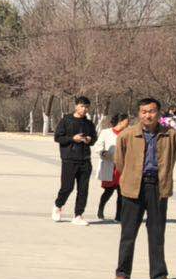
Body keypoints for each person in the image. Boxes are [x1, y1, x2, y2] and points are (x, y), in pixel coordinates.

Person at [113, 97, 176, 279]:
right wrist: (131, 176)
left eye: (151, 111)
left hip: (158, 186)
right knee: (128, 232)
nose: (147, 115)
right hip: (133, 186)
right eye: (144, 112)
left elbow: (172, 159)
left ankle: (158, 275)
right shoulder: (127, 135)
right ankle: (123, 272)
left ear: (158, 113)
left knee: (157, 232)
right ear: (139, 113)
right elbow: (119, 161)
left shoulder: (171, 135)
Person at [51, 96, 97, 225]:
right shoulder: (66, 120)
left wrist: (89, 140)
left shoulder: (89, 123)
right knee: (67, 187)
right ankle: (58, 206)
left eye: (87, 107)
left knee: (83, 189)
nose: (84, 109)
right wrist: (72, 138)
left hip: (85, 159)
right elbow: (58, 137)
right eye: (82, 106)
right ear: (76, 106)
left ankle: (78, 215)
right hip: (69, 159)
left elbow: (94, 138)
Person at [95, 112, 128, 221]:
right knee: (108, 191)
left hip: (123, 167)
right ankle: (100, 209)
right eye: (126, 121)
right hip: (110, 166)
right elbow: (98, 146)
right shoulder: (106, 132)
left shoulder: (128, 133)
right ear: (120, 121)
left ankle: (119, 216)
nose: (128, 123)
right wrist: (103, 152)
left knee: (121, 193)